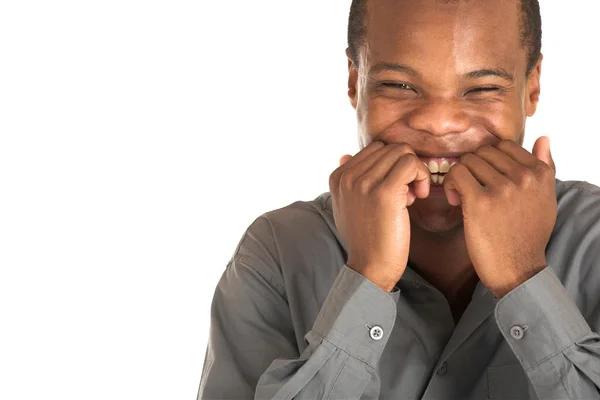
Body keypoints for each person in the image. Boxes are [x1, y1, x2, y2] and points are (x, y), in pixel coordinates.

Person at [197, 0, 600, 398]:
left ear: (532, 87)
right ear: (356, 82)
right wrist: (366, 278)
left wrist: (523, 278)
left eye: (482, 88)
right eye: (399, 85)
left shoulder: (593, 240)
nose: (439, 122)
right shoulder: (277, 255)